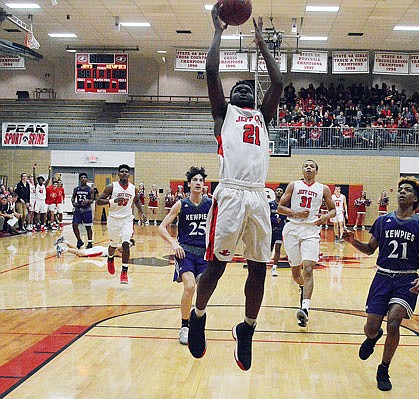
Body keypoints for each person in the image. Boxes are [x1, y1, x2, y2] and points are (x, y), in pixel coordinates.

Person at [187, 7, 283, 372]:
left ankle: (248, 329)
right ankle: (198, 315)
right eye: (237, 87)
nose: (242, 87)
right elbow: (212, 70)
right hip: (229, 193)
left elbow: (278, 83)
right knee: (217, 266)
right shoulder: (222, 115)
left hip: (258, 195)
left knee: (258, 269)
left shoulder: (263, 116)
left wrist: (260, 43)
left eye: (247, 86)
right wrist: (217, 31)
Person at [343, 176, 419, 391]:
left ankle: (384, 368)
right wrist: (352, 241)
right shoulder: (383, 222)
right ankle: (373, 338)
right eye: (400, 189)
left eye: (407, 190)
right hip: (383, 277)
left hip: (407, 279)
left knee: (394, 322)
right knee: (370, 328)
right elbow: (369, 249)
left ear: (415, 198)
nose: (402, 192)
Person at [277, 160, 336, 327]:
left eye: (312, 166)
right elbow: (280, 208)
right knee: (296, 274)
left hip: (311, 230)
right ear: (302, 170)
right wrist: (295, 212)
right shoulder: (293, 185)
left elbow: (333, 210)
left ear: (316, 171)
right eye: (306, 166)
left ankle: (305, 308)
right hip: (292, 229)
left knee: (309, 268)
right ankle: (303, 287)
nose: (308, 168)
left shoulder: (323, 188)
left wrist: (325, 217)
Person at [158, 166, 211, 346]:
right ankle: (185, 326)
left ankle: (198, 323)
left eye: (201, 180)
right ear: (189, 184)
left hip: (204, 254)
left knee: (203, 289)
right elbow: (161, 227)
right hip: (185, 252)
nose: (198, 183)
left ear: (204, 185)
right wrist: (174, 243)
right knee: (189, 287)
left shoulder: (210, 204)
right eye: (195, 180)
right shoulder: (182, 204)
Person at [96, 164, 146, 284]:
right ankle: (110, 258)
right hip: (114, 219)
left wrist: (142, 212)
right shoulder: (111, 187)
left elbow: (137, 200)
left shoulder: (133, 188)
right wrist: (112, 201)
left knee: (125, 243)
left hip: (127, 219)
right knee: (113, 245)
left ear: (129, 174)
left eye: (126, 172)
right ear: (118, 174)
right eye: (122, 171)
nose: (124, 173)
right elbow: (98, 201)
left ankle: (124, 271)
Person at [53, 235, 134, 258]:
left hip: (101, 249)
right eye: (130, 245)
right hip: (102, 252)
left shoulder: (122, 247)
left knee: (80, 252)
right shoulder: (121, 246)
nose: (130, 247)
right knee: (81, 254)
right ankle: (63, 249)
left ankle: (64, 241)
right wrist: (122, 254)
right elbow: (118, 252)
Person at [71, 173, 94, 249]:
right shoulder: (76, 189)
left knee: (88, 227)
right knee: (74, 225)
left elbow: (92, 200)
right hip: (78, 209)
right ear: (80, 179)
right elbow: (73, 198)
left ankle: (90, 242)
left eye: (85, 177)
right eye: (82, 177)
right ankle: (79, 240)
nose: (83, 178)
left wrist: (87, 201)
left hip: (87, 210)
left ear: (87, 179)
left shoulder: (90, 189)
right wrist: (73, 202)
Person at [269, 186, 286, 276]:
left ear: (283, 194)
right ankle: (264, 265)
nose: (279, 192)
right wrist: (274, 220)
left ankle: (274, 267)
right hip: (271, 229)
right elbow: (266, 216)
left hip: (280, 229)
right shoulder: (270, 204)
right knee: (269, 248)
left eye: (281, 191)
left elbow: (286, 216)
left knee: (278, 247)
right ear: (275, 193)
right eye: (277, 191)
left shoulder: (284, 206)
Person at [33, 165, 51, 231]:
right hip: (37, 201)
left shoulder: (44, 185)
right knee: (36, 213)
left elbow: (49, 178)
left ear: (43, 181)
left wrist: (49, 170)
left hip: (43, 201)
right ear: (38, 181)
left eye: (42, 180)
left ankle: (43, 226)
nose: (40, 181)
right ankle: (34, 225)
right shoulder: (36, 185)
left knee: (44, 213)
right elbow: (34, 177)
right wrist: (34, 169)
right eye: (39, 180)